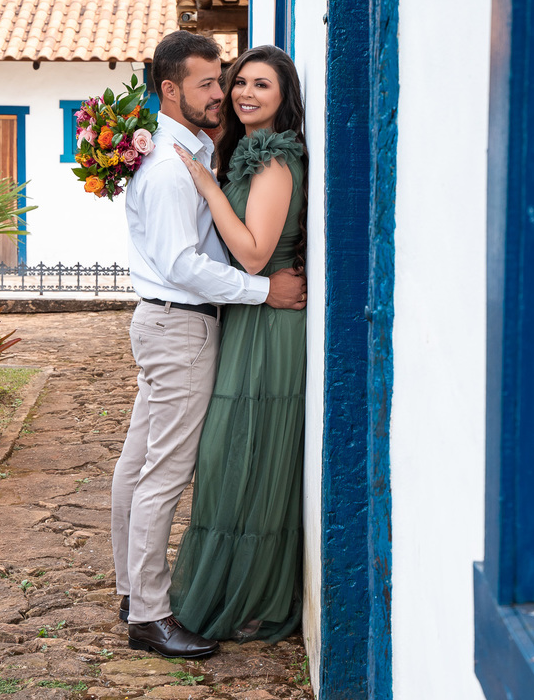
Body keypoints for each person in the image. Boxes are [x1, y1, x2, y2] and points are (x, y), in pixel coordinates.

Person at [111, 32, 306, 660]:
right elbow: (183, 262)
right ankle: (148, 613)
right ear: (170, 90)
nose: (223, 93)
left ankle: (131, 590)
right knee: (162, 472)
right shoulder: (172, 167)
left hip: (167, 323)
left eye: (231, 80)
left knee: (139, 463)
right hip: (181, 324)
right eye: (210, 83)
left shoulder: (194, 152)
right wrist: (262, 292)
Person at [167, 44, 308, 643]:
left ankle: (247, 595)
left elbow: (253, 253)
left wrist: (206, 185)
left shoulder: (274, 163)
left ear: (284, 100)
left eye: (263, 86)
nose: (246, 93)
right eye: (239, 81)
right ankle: (230, 587)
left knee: (243, 454)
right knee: (229, 457)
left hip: (270, 327)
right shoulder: (246, 153)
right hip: (249, 317)